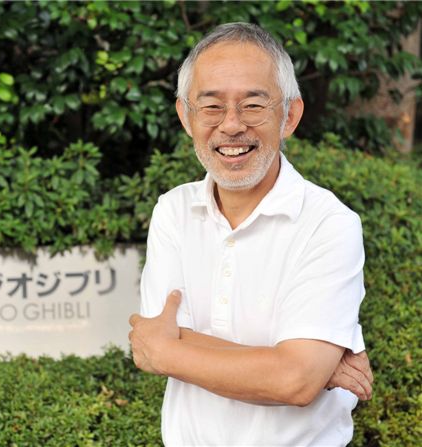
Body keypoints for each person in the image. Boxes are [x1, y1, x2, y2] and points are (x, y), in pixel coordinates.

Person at [128, 22, 373, 446]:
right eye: (211, 106)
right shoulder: (173, 210)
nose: (231, 125)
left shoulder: (329, 224)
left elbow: (295, 382)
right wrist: (300, 365)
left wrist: (170, 352)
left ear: (289, 115)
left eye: (253, 105)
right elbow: (154, 339)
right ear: (186, 116)